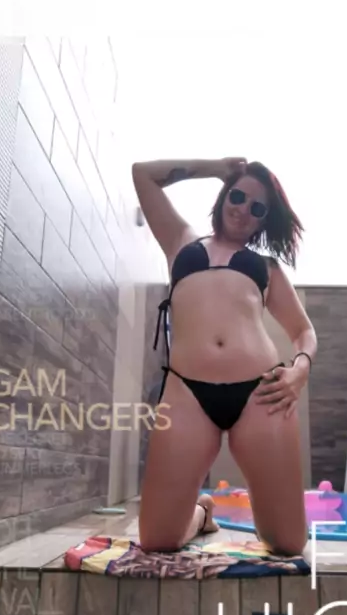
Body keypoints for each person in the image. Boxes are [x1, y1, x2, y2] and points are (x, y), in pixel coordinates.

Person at [131, 157, 317, 555]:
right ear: (224, 195)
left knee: (288, 543)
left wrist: (299, 370)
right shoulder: (182, 241)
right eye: (238, 196)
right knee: (157, 540)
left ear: (263, 220)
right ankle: (202, 513)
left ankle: (265, 516)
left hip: (261, 394)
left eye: (257, 207)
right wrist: (215, 167)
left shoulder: (266, 268)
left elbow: (304, 332)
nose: (243, 209)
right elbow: (142, 174)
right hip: (186, 392)